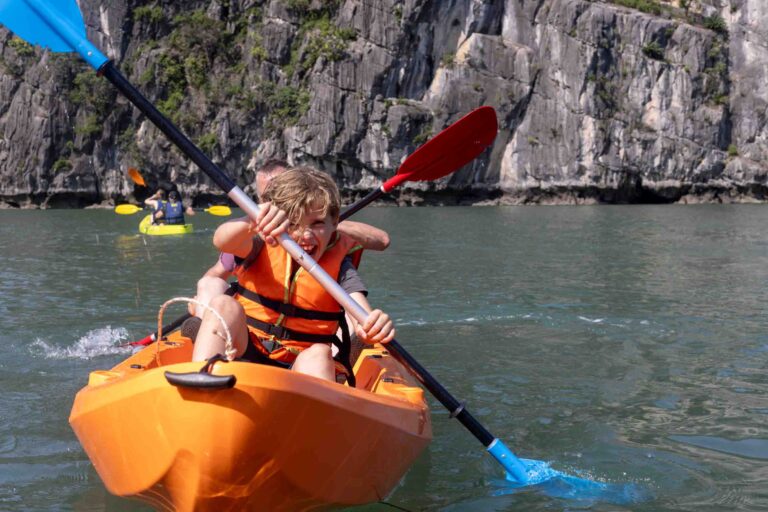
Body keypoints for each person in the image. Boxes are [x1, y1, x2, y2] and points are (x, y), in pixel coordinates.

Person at [191, 167, 395, 382]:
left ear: (334, 223)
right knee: (224, 304)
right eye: (294, 224)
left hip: (301, 364)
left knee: (320, 353)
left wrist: (372, 326)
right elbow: (222, 241)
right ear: (278, 223)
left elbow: (360, 310)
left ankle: (312, 411)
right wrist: (253, 219)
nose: (305, 235)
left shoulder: (339, 263)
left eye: (317, 224)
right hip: (248, 348)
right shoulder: (261, 243)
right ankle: (201, 379)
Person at [190, 159, 389, 320]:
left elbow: (382, 240)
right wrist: (202, 301)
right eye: (264, 198)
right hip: (255, 329)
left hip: (313, 335)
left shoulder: (327, 229)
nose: (270, 207)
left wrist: (319, 225)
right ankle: (203, 330)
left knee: (348, 314)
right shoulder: (254, 237)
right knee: (210, 286)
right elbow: (219, 259)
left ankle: (353, 351)